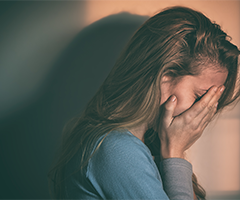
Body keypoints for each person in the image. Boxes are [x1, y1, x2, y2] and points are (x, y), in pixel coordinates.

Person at [48, 6, 240, 200]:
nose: (205, 112)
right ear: (164, 77)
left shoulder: (139, 145)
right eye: (200, 97)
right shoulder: (116, 150)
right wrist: (175, 153)